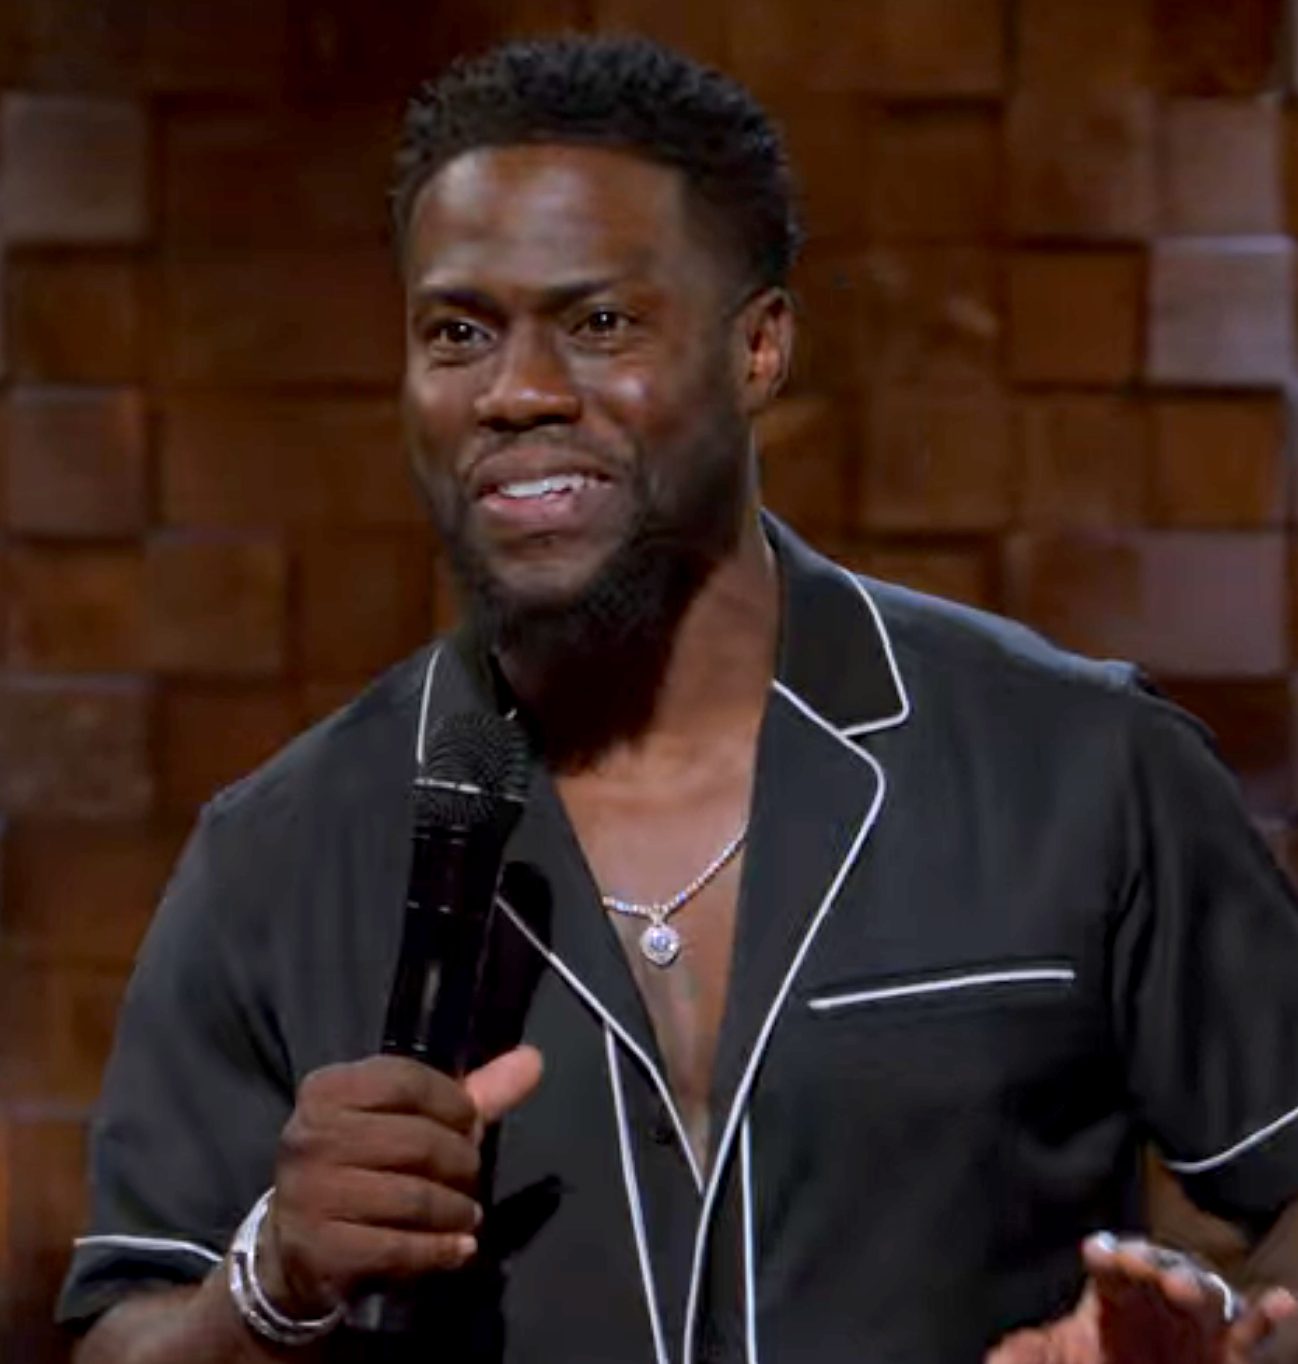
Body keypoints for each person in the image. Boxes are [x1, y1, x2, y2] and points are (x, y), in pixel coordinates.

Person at [59, 34, 1298, 1364]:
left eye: (599, 324)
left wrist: (1232, 1348)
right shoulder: (279, 854)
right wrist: (270, 1282)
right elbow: (125, 1334)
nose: (516, 392)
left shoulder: (1079, 767)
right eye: (458, 332)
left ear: (757, 347)